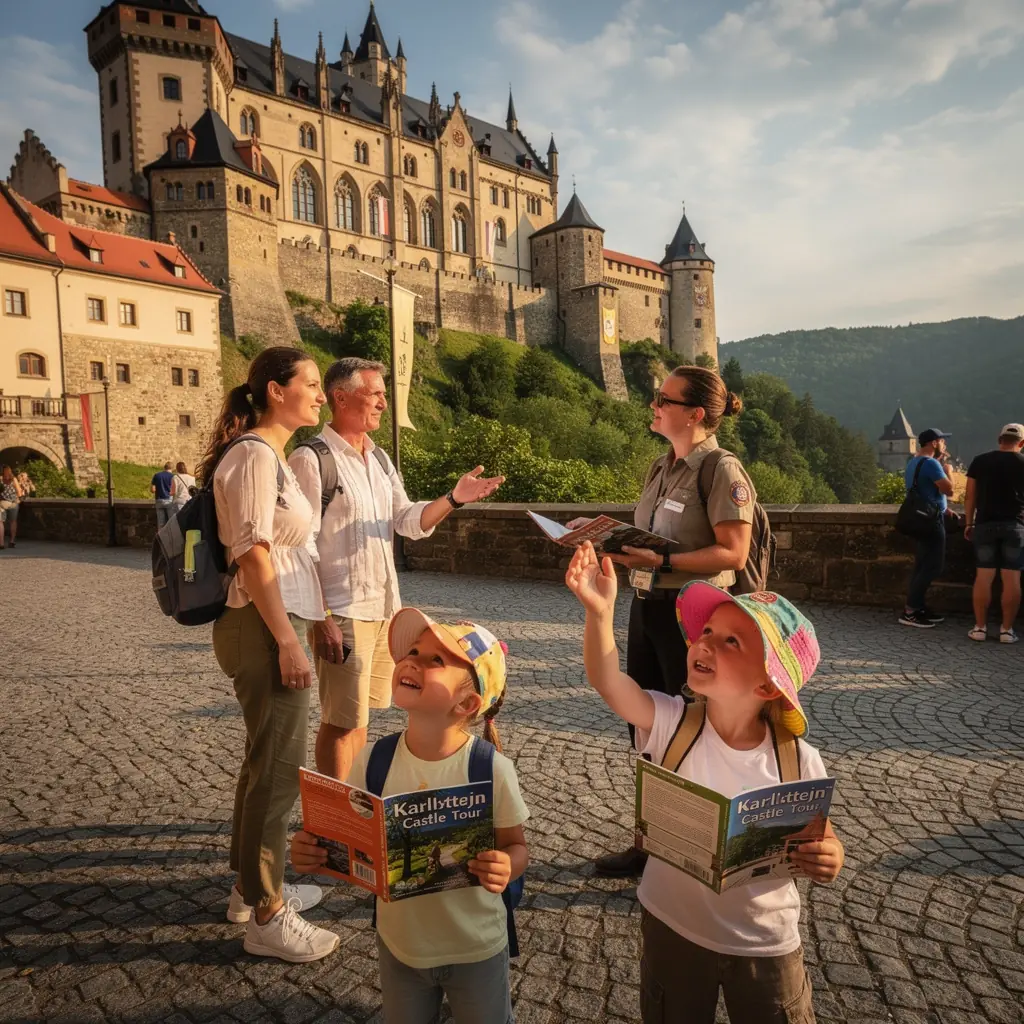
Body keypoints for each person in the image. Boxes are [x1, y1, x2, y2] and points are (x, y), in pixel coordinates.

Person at [565, 541, 844, 1024]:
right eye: (707, 631)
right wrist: (599, 612)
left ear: (766, 685)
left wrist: (830, 855)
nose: (705, 643)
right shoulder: (673, 720)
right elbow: (609, 681)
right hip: (672, 924)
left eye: (731, 641)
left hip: (764, 941)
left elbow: (823, 834)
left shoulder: (798, 759)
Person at [291, 607, 529, 1023]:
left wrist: (506, 864)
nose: (411, 661)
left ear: (467, 702)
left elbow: (517, 847)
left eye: (434, 660)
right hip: (400, 944)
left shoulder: (490, 768)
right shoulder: (375, 759)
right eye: (413, 651)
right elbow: (348, 838)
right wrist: (312, 850)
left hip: (475, 946)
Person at [567, 365, 755, 877]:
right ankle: (649, 842)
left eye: (664, 399)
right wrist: (609, 537)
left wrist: (665, 563)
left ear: (695, 414)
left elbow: (733, 553)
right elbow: (653, 536)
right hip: (647, 606)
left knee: (693, 727)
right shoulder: (661, 466)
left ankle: (692, 847)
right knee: (647, 725)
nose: (654, 404)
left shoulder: (721, 469)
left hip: (693, 617)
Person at [289, 357, 505, 783]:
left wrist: (454, 498)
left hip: (383, 608)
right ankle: (334, 812)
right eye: (376, 394)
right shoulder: (311, 459)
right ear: (341, 397)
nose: (384, 404)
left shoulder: (381, 459)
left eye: (384, 395)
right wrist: (323, 618)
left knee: (363, 717)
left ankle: (353, 801)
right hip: (343, 609)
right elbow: (302, 545)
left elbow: (407, 520)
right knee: (340, 720)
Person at [199, 345, 339, 963]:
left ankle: (246, 889)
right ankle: (267, 914)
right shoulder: (256, 457)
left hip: (262, 622)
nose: (320, 393)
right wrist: (288, 639)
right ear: (276, 391)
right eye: (310, 383)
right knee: (278, 772)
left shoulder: (266, 455)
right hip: (259, 626)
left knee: (263, 763)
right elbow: (254, 555)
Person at [964, 423, 1024, 643]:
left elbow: (969, 496)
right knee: (1012, 577)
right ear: (1022, 442)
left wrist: (969, 524)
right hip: (1015, 526)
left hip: (985, 525)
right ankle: (1006, 630)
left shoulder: (981, 461)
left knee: (984, 576)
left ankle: (980, 628)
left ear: (1000, 439)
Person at [900, 428, 955, 628]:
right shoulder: (932, 463)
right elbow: (948, 489)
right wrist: (948, 471)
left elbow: (924, 491)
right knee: (933, 566)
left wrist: (944, 509)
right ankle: (911, 610)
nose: (944, 445)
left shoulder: (913, 462)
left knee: (922, 565)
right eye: (942, 441)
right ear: (934, 443)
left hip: (920, 518)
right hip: (931, 521)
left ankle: (917, 607)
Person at [0, 465, 23, 549]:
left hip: (2, 502)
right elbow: (19, 492)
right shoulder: (14, 479)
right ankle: (12, 541)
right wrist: (19, 500)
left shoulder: (0, 479)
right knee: (13, 522)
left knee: (1, 522)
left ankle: (1, 543)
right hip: (13, 503)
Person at [150, 462, 175, 528]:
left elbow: (152, 490)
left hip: (159, 500)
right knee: (171, 522)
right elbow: (174, 491)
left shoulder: (157, 475)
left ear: (164, 467)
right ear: (172, 468)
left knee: (161, 524)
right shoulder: (173, 477)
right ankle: (170, 537)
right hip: (169, 500)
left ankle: (160, 537)